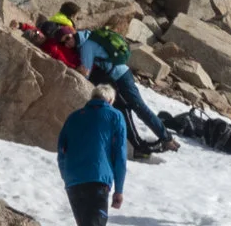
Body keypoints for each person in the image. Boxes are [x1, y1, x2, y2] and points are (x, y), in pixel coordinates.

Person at [54, 82, 128, 226]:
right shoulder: (115, 116)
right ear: (110, 101)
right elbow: (120, 155)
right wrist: (119, 189)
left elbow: (61, 151)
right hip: (98, 182)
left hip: (74, 183)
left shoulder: (74, 117)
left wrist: (67, 177)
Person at [74, 8, 179, 155]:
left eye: (68, 40)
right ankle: (151, 141)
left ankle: (166, 138)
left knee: (138, 107)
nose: (68, 43)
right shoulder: (95, 36)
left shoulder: (87, 45)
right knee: (131, 108)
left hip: (118, 77)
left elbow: (86, 71)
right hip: (124, 73)